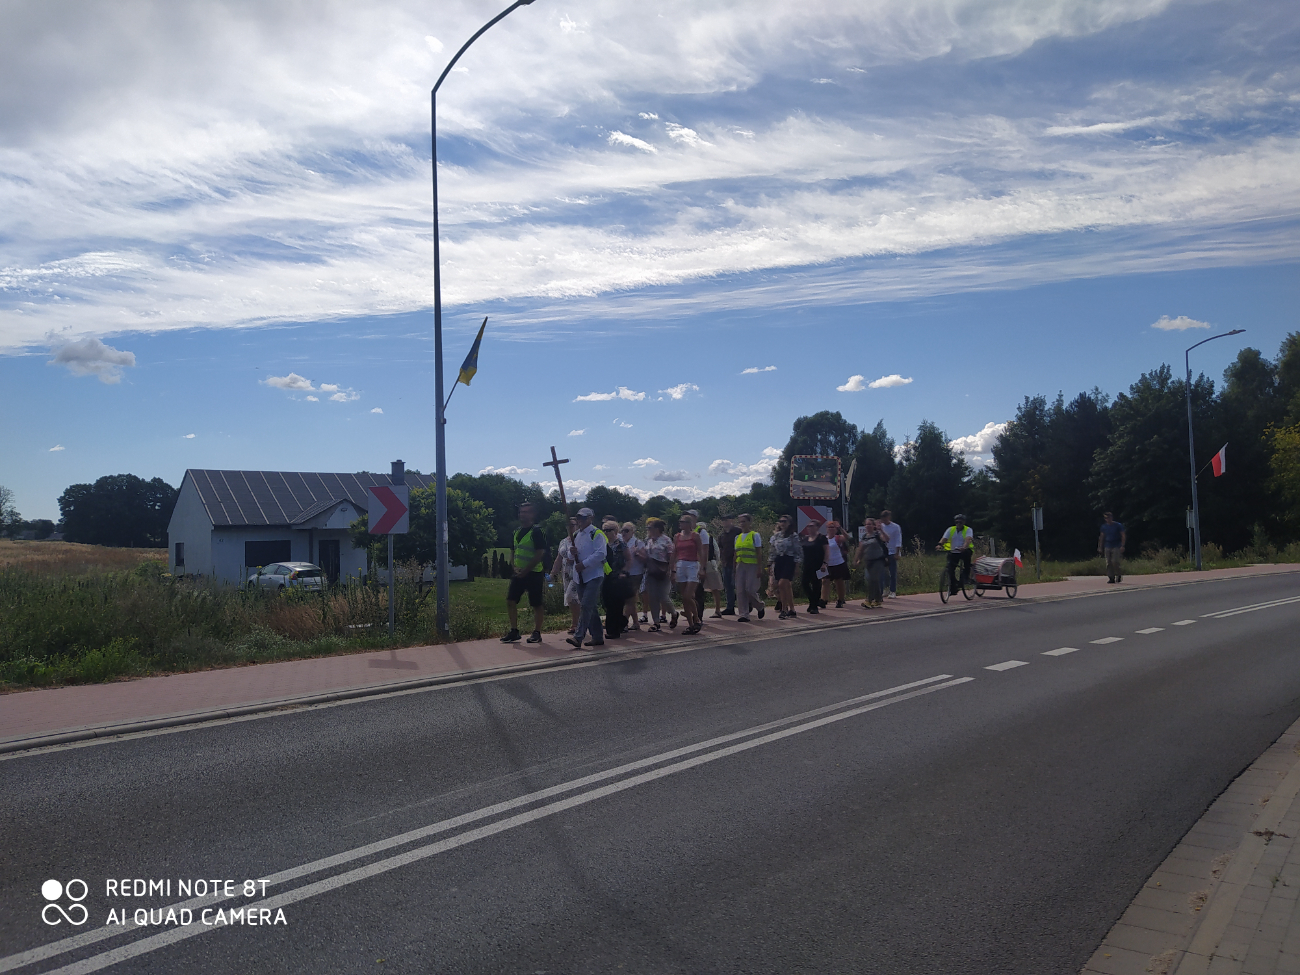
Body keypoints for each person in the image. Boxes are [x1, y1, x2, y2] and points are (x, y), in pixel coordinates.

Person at [501, 502, 549, 644]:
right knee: (510, 600)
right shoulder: (516, 532)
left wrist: (527, 569)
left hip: (534, 572)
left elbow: (540, 553)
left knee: (536, 603)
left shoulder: (537, 531)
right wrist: (514, 567)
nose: (522, 514)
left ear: (533, 514)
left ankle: (537, 632)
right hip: (518, 573)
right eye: (521, 512)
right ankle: (514, 630)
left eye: (526, 512)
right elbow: (513, 551)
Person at [566, 508, 609, 649]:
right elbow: (570, 556)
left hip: (594, 575)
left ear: (590, 518)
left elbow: (601, 553)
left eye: (583, 518)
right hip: (580, 577)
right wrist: (571, 552)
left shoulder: (596, 533)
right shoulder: (576, 534)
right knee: (590, 607)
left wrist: (584, 564)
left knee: (585, 605)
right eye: (579, 518)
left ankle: (578, 637)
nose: (580, 521)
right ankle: (597, 637)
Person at [688, 510, 725, 619]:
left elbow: (714, 550)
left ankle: (716, 610)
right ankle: (695, 611)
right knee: (698, 589)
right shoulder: (690, 532)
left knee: (714, 587)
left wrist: (715, 563)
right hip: (698, 563)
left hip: (708, 563)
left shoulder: (703, 534)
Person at [641, 517, 676, 630]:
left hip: (663, 571)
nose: (648, 530)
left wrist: (672, 570)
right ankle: (656, 622)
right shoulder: (649, 541)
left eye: (650, 528)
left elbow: (671, 556)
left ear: (656, 529)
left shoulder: (666, 540)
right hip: (651, 571)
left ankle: (673, 613)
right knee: (652, 597)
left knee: (663, 596)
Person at [550, 516, 581, 633]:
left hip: (577, 573)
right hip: (566, 574)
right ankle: (577, 622)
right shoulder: (563, 541)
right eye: (568, 525)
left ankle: (576, 624)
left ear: (577, 526)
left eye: (572, 525)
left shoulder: (580, 539)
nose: (570, 528)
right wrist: (553, 573)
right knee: (572, 600)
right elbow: (559, 558)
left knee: (572, 597)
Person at [673, 514, 704, 633]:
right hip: (681, 565)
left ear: (689, 524)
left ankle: (696, 618)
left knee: (688, 595)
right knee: (684, 598)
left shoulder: (695, 536)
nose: (680, 524)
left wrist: (702, 568)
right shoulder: (677, 536)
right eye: (680, 522)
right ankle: (691, 624)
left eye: (683, 522)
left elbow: (701, 551)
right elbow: (674, 553)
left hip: (692, 565)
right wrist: (672, 569)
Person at [733, 512, 766, 622]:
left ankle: (759, 605)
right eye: (740, 522)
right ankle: (744, 614)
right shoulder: (737, 537)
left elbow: (759, 552)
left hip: (752, 564)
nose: (742, 524)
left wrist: (759, 567)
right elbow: (735, 553)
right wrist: (734, 567)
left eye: (744, 521)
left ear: (749, 522)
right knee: (740, 590)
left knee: (750, 589)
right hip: (740, 564)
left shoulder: (754, 535)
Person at [601, 519, 631, 639]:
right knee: (607, 603)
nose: (606, 532)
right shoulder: (602, 544)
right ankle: (621, 622)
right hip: (606, 576)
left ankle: (613, 631)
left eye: (609, 530)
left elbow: (629, 559)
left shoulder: (621, 544)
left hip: (618, 577)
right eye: (604, 530)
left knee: (616, 604)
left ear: (615, 531)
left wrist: (624, 572)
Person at [768, 514, 801, 618]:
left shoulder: (793, 536)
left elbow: (798, 551)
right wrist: (770, 563)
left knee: (782, 583)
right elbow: (772, 550)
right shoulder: (776, 536)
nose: (782, 523)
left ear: (789, 523)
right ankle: (792, 609)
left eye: (784, 521)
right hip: (779, 561)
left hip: (789, 560)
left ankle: (784, 609)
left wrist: (797, 565)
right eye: (781, 521)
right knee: (784, 586)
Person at [936, 514, 975, 596]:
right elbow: (944, 538)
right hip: (953, 551)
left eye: (960, 521)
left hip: (965, 551)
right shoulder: (951, 529)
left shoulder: (968, 529)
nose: (958, 523)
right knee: (950, 569)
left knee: (966, 564)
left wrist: (964, 547)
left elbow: (968, 540)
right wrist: (940, 545)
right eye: (957, 521)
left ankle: (965, 578)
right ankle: (954, 587)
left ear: (964, 522)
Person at [855, 518, 889, 608]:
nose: (868, 526)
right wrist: (858, 559)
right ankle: (878, 600)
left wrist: (881, 530)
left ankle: (869, 600)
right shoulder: (864, 536)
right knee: (872, 580)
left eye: (870, 524)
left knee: (872, 579)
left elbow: (886, 539)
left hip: (878, 560)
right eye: (866, 524)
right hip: (868, 561)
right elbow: (861, 549)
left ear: (874, 526)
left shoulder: (877, 534)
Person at [620, 523, 646, 629]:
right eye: (622, 530)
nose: (624, 533)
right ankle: (635, 623)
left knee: (630, 599)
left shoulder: (638, 542)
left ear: (632, 532)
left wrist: (637, 553)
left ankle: (623, 622)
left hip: (636, 573)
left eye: (626, 530)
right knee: (629, 599)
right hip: (625, 573)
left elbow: (645, 558)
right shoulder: (621, 542)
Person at [799, 522, 828, 613]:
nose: (809, 528)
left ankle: (814, 606)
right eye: (808, 526)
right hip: (807, 564)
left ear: (817, 527)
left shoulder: (821, 538)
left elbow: (827, 551)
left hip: (818, 565)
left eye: (812, 526)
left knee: (816, 584)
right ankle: (812, 601)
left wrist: (825, 563)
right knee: (804, 583)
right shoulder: (805, 538)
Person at [716, 514, 739, 615]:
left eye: (727, 520)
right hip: (726, 563)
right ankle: (730, 607)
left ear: (731, 520)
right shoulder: (722, 535)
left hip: (737, 563)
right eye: (723, 520)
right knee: (728, 586)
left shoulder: (738, 531)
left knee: (738, 585)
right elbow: (720, 548)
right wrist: (721, 560)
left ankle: (748, 604)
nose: (725, 522)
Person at [823, 521, 850, 608]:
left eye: (833, 527)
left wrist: (840, 528)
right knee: (825, 581)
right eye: (829, 527)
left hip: (838, 563)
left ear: (835, 529)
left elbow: (847, 537)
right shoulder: (824, 539)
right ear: (826, 529)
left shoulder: (838, 538)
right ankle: (824, 600)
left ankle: (840, 599)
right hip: (827, 564)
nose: (831, 529)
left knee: (839, 582)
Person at [879, 510, 902, 598]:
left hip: (893, 551)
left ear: (889, 517)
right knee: (884, 572)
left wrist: (897, 553)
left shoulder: (896, 527)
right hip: (884, 551)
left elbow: (898, 540)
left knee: (892, 572)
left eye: (886, 518)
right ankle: (886, 589)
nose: (884, 520)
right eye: (883, 519)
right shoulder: (881, 526)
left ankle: (893, 591)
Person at [1098, 512, 1127, 583]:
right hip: (1107, 545)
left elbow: (1123, 535)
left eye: (1108, 517)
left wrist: (1122, 545)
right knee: (1108, 562)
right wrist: (1100, 547)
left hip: (1116, 545)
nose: (1107, 519)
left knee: (1115, 561)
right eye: (1106, 518)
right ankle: (1111, 577)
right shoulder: (1104, 527)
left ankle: (1118, 574)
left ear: (1111, 517)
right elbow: (1102, 537)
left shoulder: (1118, 525)